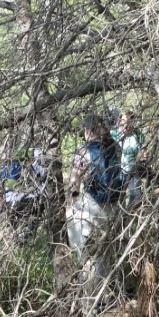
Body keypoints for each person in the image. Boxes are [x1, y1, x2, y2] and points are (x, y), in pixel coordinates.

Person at [66, 115, 120, 275]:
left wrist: (70, 204)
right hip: (113, 205)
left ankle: (87, 288)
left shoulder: (83, 151)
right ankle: (102, 288)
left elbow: (75, 182)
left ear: (87, 130)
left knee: (87, 252)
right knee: (104, 252)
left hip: (92, 206)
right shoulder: (116, 147)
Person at [111, 110, 143, 205]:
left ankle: (131, 211)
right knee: (118, 195)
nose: (125, 123)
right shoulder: (114, 133)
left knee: (136, 194)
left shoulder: (137, 134)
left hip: (132, 169)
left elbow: (143, 149)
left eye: (128, 121)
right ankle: (120, 212)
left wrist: (143, 155)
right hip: (116, 169)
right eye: (123, 120)